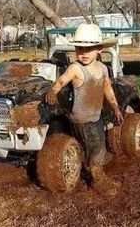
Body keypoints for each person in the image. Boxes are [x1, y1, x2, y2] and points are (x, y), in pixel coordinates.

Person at [45, 23, 124, 196]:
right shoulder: (76, 68)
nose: (84, 53)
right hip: (82, 118)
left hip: (95, 117)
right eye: (79, 49)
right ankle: (98, 178)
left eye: (89, 49)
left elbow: (108, 90)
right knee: (96, 147)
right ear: (75, 49)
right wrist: (52, 91)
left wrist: (116, 107)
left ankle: (88, 163)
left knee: (93, 144)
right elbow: (61, 80)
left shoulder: (103, 69)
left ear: (99, 49)